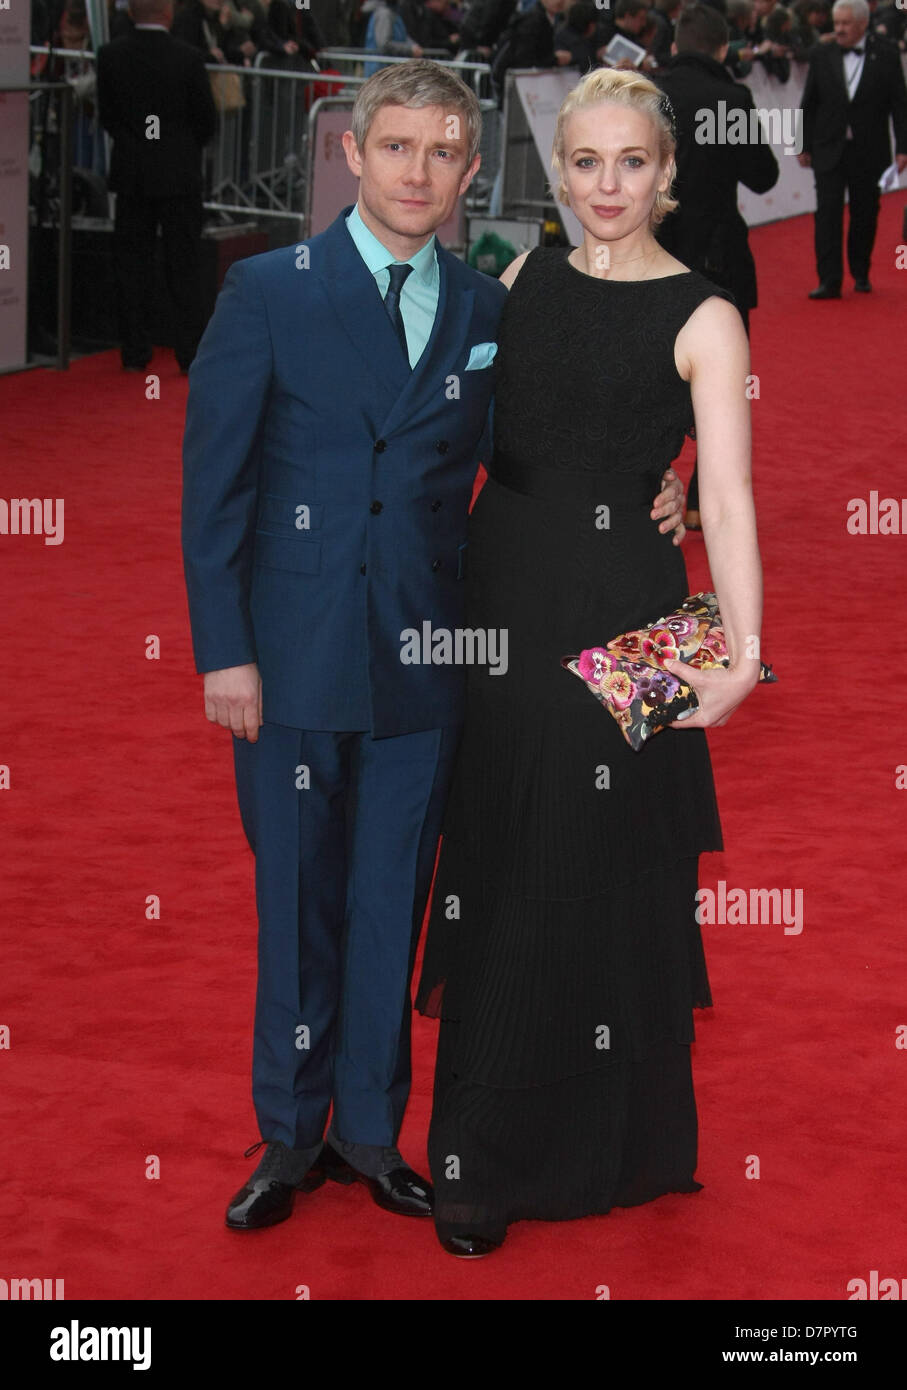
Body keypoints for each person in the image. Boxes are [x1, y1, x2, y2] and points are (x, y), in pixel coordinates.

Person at [181, 56, 700, 1233]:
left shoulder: (487, 304)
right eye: (397, 146)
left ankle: (370, 1132)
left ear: (473, 169)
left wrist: (667, 489)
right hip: (292, 660)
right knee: (297, 906)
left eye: (444, 152)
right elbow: (210, 489)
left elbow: (560, 436)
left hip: (432, 663)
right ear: (352, 154)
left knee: (392, 903)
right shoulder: (268, 289)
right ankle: (288, 1134)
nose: (419, 171)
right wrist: (225, 652)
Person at [416, 64, 764, 1257]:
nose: (605, 186)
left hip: (631, 612)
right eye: (583, 162)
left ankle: (601, 1141)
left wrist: (742, 649)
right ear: (555, 170)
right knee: (503, 849)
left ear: (667, 175)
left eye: (631, 163)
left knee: (604, 853)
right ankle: (479, 1142)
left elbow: (723, 491)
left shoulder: (707, 313)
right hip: (502, 586)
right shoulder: (526, 274)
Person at [656, 3, 778, 528]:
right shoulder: (732, 99)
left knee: (646, 373)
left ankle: (642, 495)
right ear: (724, 48)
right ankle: (704, 502)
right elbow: (764, 177)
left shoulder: (650, 95)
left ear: (677, 42)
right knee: (720, 381)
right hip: (718, 258)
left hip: (653, 254)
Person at [96, 0, 217, 372]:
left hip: (133, 175)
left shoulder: (110, 56)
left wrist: (138, 146)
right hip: (179, 177)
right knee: (184, 265)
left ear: (131, 13)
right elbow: (206, 121)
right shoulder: (189, 58)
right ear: (169, 13)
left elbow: (108, 116)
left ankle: (134, 352)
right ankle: (190, 354)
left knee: (131, 264)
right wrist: (178, 151)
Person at [798, 0, 907, 297]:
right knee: (827, 214)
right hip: (828, 148)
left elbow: (900, 104)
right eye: (837, 23)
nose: (840, 29)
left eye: (846, 23)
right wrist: (801, 143)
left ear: (863, 23)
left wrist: (903, 147)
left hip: (870, 150)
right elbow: (808, 104)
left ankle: (861, 272)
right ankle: (829, 280)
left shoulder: (886, 53)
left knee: (865, 212)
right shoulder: (821, 53)